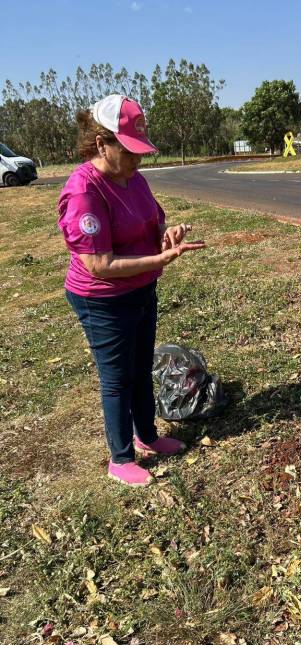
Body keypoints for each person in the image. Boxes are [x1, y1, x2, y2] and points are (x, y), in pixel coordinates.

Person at [58, 94, 205, 487]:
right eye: (129, 150)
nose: (138, 159)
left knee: (141, 368)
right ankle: (120, 458)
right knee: (118, 378)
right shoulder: (85, 191)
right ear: (102, 144)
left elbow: (152, 223)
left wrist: (166, 234)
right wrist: (159, 259)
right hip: (102, 300)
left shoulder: (134, 179)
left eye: (141, 150)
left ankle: (148, 437)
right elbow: (99, 265)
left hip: (141, 289)